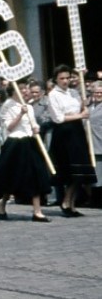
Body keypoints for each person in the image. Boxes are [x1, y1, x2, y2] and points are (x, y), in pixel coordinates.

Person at [0, 85, 52, 222]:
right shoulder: (7, 106)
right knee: (11, 177)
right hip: (15, 143)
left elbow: (33, 124)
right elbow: (9, 127)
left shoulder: (29, 106)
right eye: (21, 88)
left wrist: (36, 128)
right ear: (13, 90)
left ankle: (37, 211)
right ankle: (2, 205)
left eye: (26, 88)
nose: (25, 91)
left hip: (29, 142)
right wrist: (20, 114)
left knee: (34, 174)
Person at [47, 65, 97, 216]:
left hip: (77, 131)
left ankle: (71, 203)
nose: (65, 81)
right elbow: (58, 118)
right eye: (62, 78)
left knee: (80, 171)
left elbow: (81, 106)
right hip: (64, 133)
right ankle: (66, 202)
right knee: (70, 171)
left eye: (67, 78)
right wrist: (80, 116)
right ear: (56, 79)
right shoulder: (53, 95)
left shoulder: (73, 92)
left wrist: (83, 108)